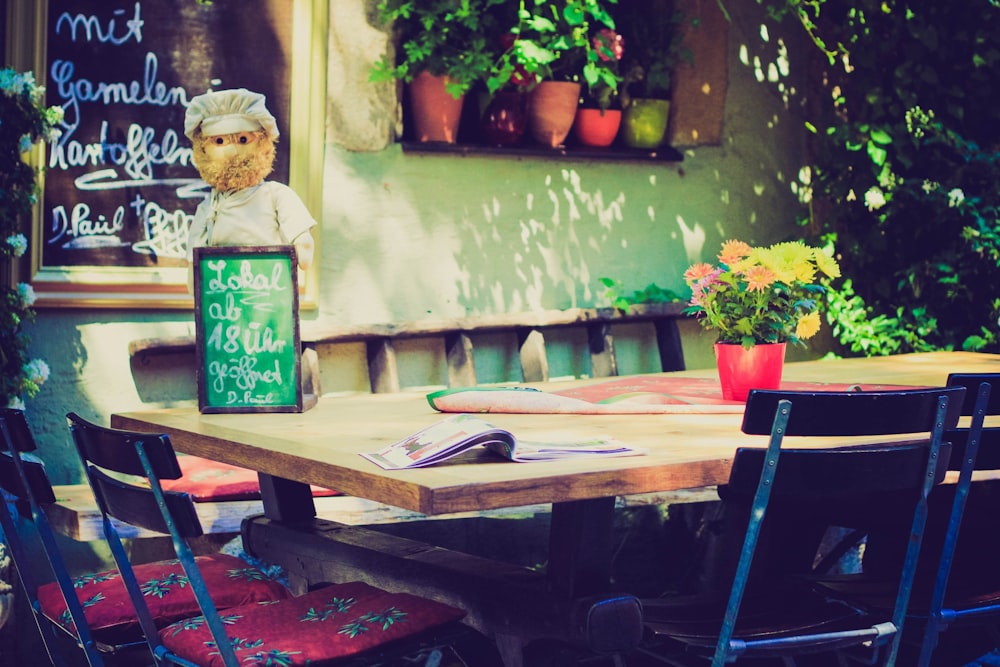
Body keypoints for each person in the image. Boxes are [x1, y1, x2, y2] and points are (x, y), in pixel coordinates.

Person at [183, 88, 315, 290]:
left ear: (262, 143)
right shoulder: (210, 206)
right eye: (219, 141)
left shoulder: (274, 195)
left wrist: (301, 240)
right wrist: (195, 273)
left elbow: (297, 229)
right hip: (224, 286)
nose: (231, 150)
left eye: (243, 139)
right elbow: (196, 249)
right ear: (203, 150)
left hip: (268, 284)